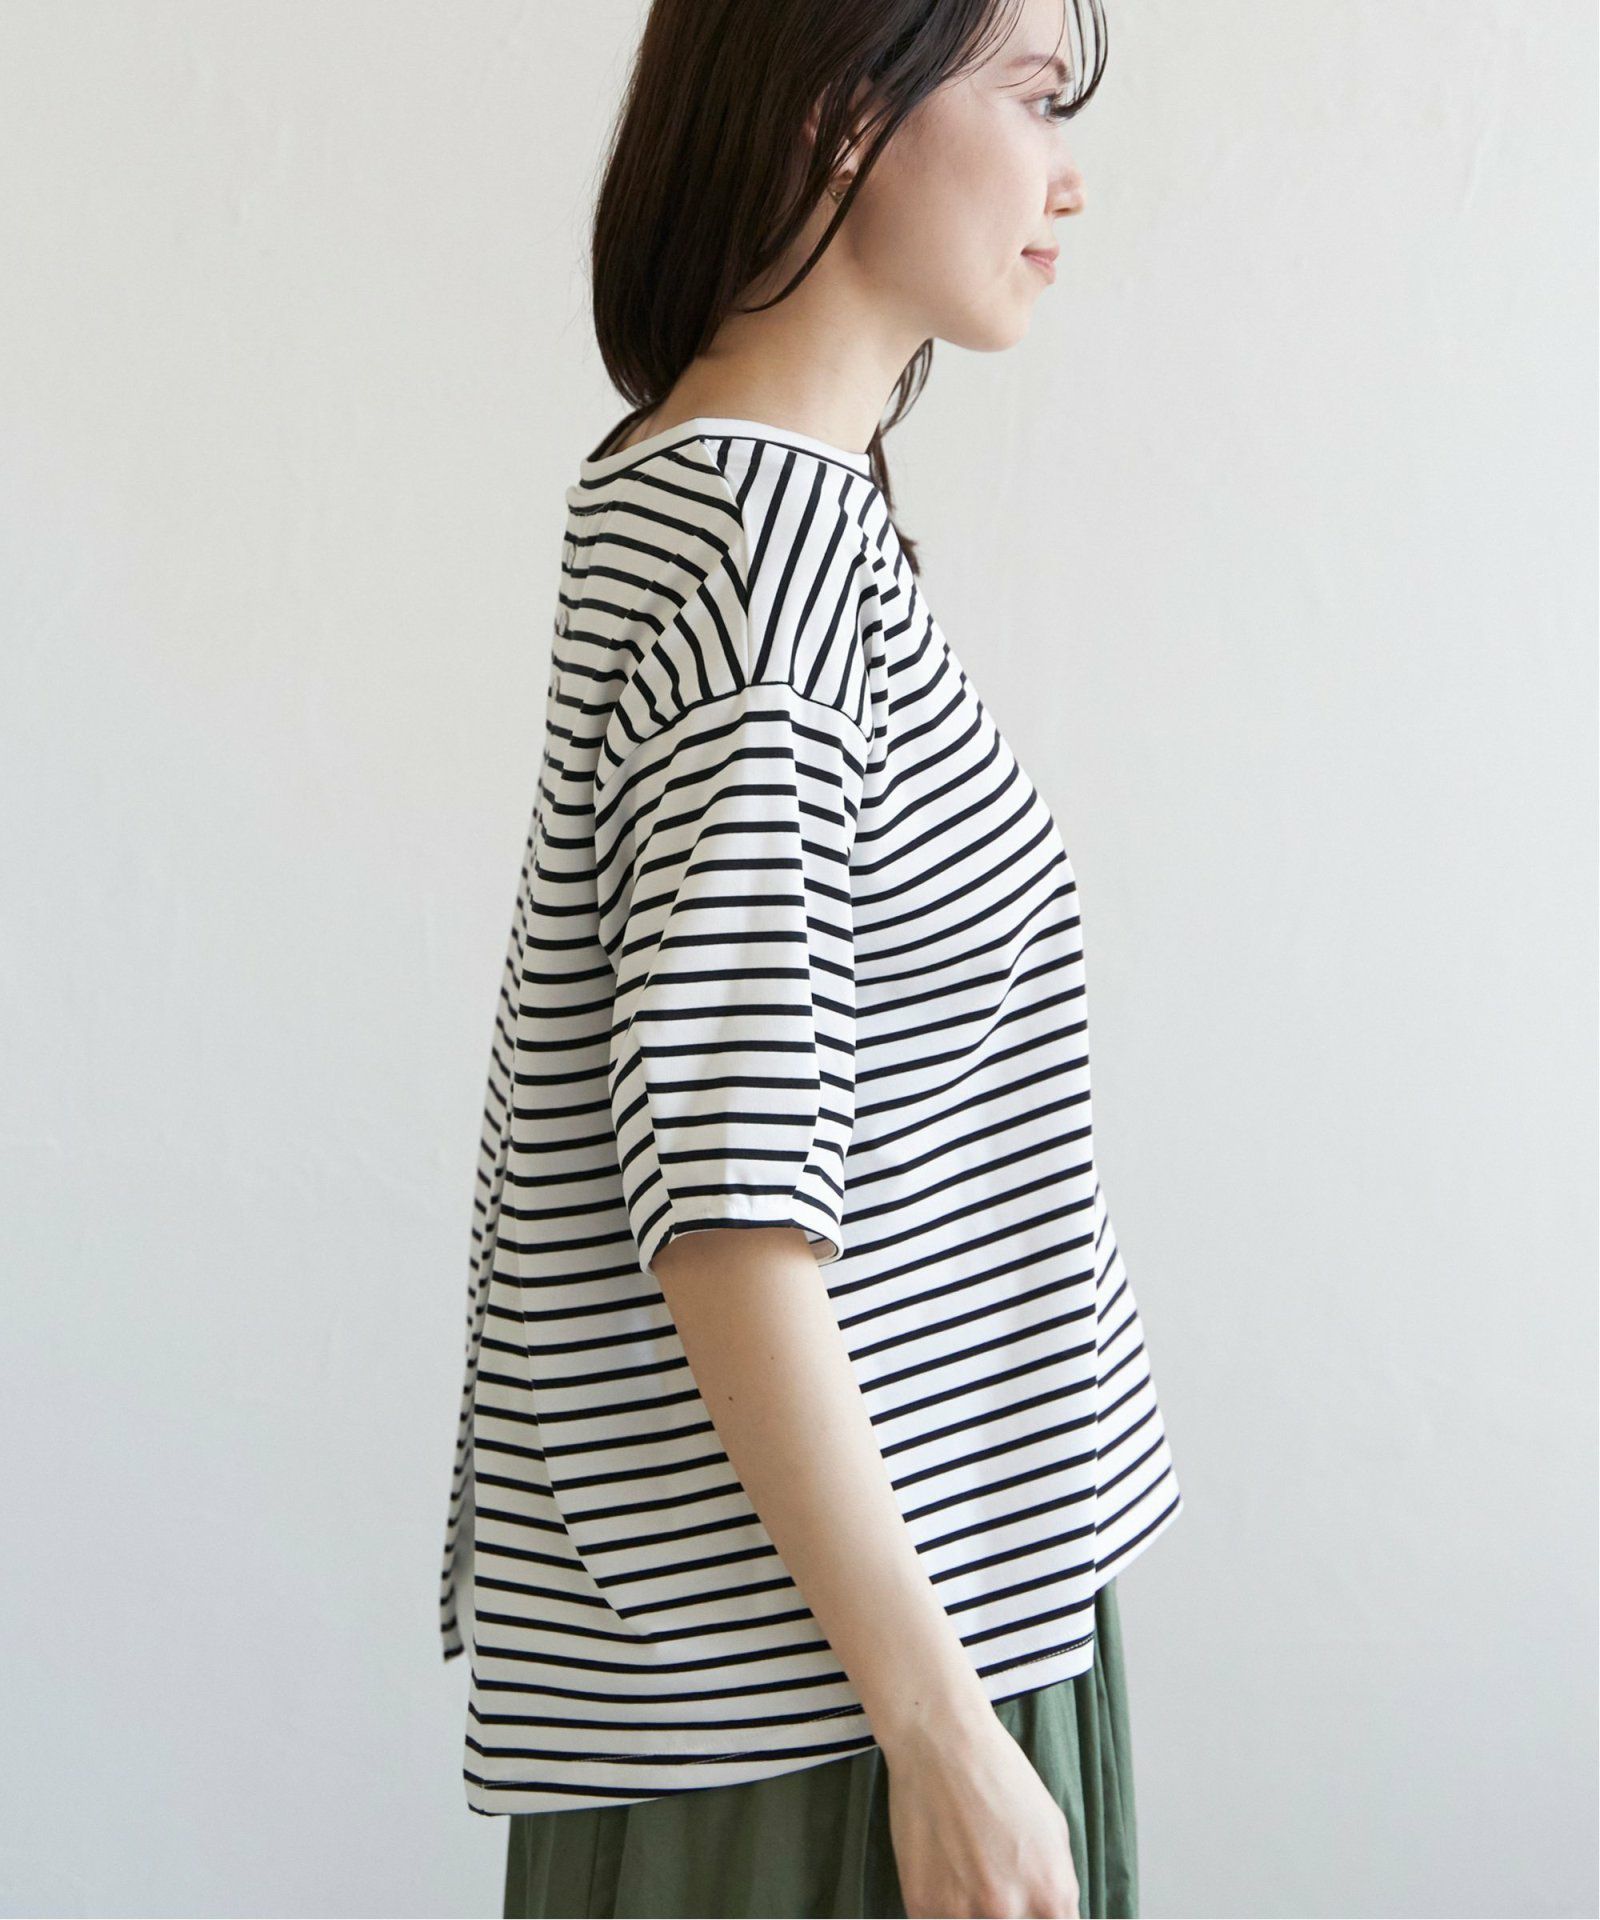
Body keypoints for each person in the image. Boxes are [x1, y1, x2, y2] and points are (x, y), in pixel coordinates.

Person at [439, 0, 1185, 1912]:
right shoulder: (762, 573)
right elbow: (729, 1213)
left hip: (871, 1647)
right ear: (845, 113)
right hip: (840, 1712)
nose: (1069, 177)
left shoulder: (738, 512)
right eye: (1033, 99)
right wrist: (941, 1733)